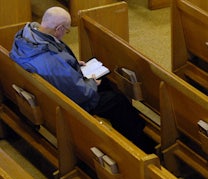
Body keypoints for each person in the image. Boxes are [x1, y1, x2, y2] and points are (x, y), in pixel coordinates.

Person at [9, 7, 154, 153]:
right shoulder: (52, 62)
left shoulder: (27, 35)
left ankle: (127, 126)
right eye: (66, 31)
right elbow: (80, 94)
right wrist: (92, 83)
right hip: (69, 103)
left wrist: (69, 62)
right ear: (58, 28)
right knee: (117, 101)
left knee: (104, 81)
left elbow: (54, 57)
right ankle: (142, 145)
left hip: (51, 86)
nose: (65, 34)